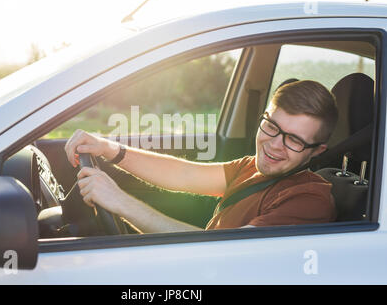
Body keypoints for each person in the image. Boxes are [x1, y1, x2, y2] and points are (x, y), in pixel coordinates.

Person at [64, 80, 338, 233]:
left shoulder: (310, 200)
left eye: (294, 140)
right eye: (272, 127)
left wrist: (120, 202)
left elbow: (224, 253)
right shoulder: (254, 168)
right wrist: (111, 149)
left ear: (317, 151)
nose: (275, 145)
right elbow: (185, 174)